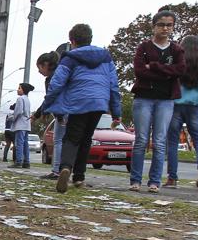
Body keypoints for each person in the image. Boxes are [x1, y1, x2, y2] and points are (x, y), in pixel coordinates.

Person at [43, 23, 122, 193]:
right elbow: (114, 85)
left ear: (72, 40)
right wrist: (116, 112)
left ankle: (65, 167)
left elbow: (57, 83)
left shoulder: (70, 58)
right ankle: (79, 177)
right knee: (86, 138)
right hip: (100, 102)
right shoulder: (106, 57)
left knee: (71, 138)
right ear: (90, 39)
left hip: (78, 102)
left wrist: (46, 104)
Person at [130, 9, 186, 193]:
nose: (165, 28)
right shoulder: (144, 47)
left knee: (160, 141)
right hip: (144, 98)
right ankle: (135, 180)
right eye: (161, 24)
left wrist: (154, 66)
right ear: (154, 26)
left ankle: (155, 181)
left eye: (169, 25)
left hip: (166, 100)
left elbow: (179, 70)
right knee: (141, 139)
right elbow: (139, 71)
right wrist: (166, 71)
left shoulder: (176, 49)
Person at [164, 35, 198, 189]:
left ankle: (172, 178)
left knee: (172, 142)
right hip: (197, 105)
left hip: (176, 104)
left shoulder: (178, 59)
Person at [32, 51, 66, 179]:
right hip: (70, 110)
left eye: (39, 67)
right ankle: (67, 170)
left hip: (62, 112)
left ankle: (57, 170)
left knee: (58, 141)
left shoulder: (52, 78)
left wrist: (39, 113)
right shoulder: (63, 73)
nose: (39, 71)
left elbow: (50, 98)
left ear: (45, 65)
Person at [9, 82, 35, 168]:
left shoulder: (20, 99)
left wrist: (13, 119)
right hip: (27, 123)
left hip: (20, 123)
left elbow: (19, 111)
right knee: (25, 143)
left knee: (19, 143)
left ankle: (18, 161)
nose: (18, 89)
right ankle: (26, 161)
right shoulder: (27, 99)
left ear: (23, 90)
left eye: (19, 88)